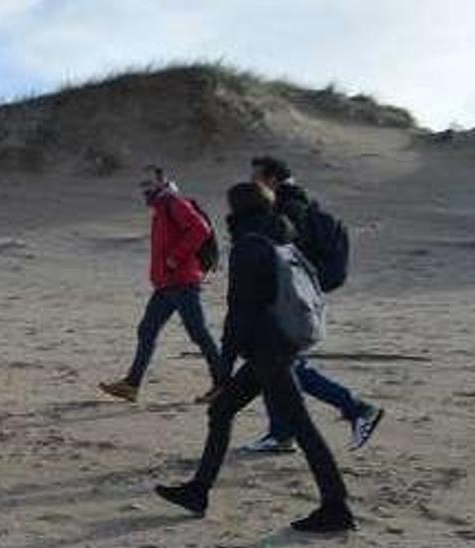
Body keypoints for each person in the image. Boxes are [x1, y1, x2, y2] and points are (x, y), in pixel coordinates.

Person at [155, 182, 356, 533]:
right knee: (221, 411)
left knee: (301, 426)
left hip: (268, 349)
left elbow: (239, 313)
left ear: (239, 210)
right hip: (280, 343)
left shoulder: (249, 245)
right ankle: (198, 491)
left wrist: (223, 369)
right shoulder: (281, 236)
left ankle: (336, 506)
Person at [244, 156, 384, 453]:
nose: (252, 183)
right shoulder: (300, 204)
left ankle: (356, 408)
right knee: (277, 365)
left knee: (282, 365)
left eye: (255, 178)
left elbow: (283, 256)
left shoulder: (287, 208)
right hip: (294, 298)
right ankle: (281, 433)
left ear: (271, 179)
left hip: (287, 301)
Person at [99, 166, 224, 403]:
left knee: (199, 333)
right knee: (147, 330)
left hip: (183, 282)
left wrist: (175, 258)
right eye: (142, 184)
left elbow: (200, 229)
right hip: (166, 284)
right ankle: (131, 385)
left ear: (162, 183)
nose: (145, 189)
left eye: (149, 183)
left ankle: (223, 384)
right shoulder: (161, 209)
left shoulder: (174, 204)